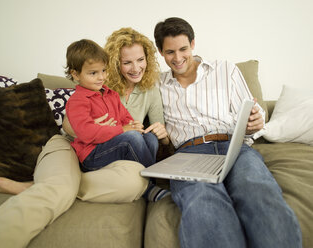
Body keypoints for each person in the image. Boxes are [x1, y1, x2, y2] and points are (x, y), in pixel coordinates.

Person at [153, 17, 302, 248]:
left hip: (234, 146)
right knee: (202, 199)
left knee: (256, 189)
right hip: (189, 154)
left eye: (183, 49)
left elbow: (250, 112)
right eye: (170, 52)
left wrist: (255, 121)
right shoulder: (156, 84)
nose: (178, 57)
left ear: (193, 44)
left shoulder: (225, 69)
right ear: (161, 52)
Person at [65, 38, 168, 201]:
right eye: (93, 73)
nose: (101, 77)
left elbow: (124, 116)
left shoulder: (109, 93)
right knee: (131, 138)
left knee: (149, 137)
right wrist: (122, 129)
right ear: (75, 74)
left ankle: (151, 180)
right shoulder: (78, 100)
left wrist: (133, 124)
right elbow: (85, 133)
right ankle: (150, 187)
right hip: (92, 154)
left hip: (112, 146)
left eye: (104, 71)